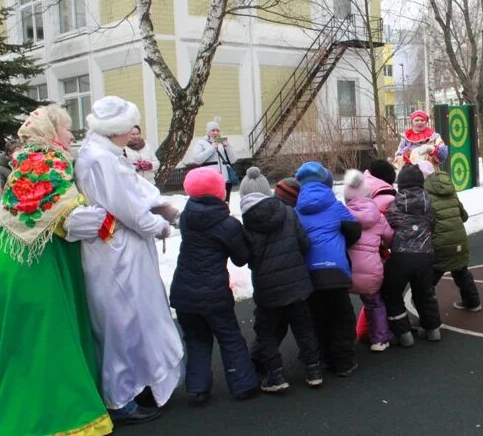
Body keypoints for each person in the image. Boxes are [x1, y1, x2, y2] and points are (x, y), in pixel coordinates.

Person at [0, 106, 113, 435]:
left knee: (18, 347)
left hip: (11, 263)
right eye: (66, 130)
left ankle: (16, 406)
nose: (70, 136)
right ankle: (55, 416)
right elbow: (69, 218)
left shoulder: (27, 161)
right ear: (50, 134)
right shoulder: (48, 162)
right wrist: (107, 219)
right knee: (45, 344)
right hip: (37, 271)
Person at [75, 96, 184, 424]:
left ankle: (139, 383)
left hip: (119, 248)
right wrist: (160, 225)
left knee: (135, 316)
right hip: (117, 250)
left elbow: (135, 188)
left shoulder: (103, 152)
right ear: (116, 129)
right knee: (123, 321)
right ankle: (121, 395)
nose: (134, 132)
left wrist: (160, 203)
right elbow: (127, 207)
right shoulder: (102, 158)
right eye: (129, 127)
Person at [170, 167, 258, 405]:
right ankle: (243, 384)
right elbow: (241, 257)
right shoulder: (227, 224)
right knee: (229, 336)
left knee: (196, 338)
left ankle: (197, 388)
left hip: (183, 289)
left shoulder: (187, 217)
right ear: (220, 192)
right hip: (214, 291)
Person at [240, 167, 323, 391]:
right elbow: (304, 242)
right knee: (303, 327)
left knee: (265, 331)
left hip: (267, 287)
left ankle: (275, 374)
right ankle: (314, 369)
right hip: (297, 282)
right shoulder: (287, 212)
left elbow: (245, 256)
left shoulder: (246, 222)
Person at [294, 162, 362, 377]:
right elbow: (354, 230)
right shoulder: (335, 206)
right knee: (342, 317)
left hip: (308, 273)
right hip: (335, 270)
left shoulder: (296, 209)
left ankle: (321, 359)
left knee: (316, 317)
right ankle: (344, 362)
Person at [382, 164, 441, 346]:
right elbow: (432, 224)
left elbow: (389, 224)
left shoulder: (395, 204)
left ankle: (404, 334)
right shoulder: (428, 203)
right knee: (425, 293)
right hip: (425, 254)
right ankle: (433, 329)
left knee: (392, 293)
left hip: (401, 255)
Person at [343, 169, 394, 352]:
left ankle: (345, 341)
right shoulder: (379, 217)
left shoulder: (342, 215)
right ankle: (379, 339)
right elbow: (389, 238)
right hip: (372, 270)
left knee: (341, 303)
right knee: (374, 303)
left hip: (346, 271)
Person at [420, 161, 481, 312]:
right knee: (461, 272)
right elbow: (464, 216)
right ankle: (473, 303)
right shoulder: (450, 189)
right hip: (459, 240)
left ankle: (430, 318)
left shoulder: (424, 194)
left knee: (428, 280)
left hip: (439, 243)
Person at [193, 120, 238, 202]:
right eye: (213, 130)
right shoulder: (201, 143)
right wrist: (212, 147)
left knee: (226, 202)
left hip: (225, 179)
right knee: (214, 203)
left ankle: (225, 214)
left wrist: (227, 147)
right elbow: (197, 159)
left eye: (217, 130)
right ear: (208, 132)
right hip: (210, 180)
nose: (216, 133)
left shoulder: (223, 142)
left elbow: (233, 160)